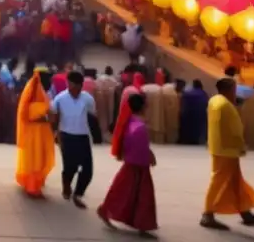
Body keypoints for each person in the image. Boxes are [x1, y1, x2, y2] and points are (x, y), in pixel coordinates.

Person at [200, 77, 254, 230]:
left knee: (235, 182)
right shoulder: (225, 105)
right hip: (227, 150)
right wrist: (240, 145)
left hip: (219, 147)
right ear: (228, 90)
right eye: (233, 89)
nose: (234, 92)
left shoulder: (214, 101)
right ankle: (207, 214)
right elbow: (234, 130)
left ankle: (245, 212)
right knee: (219, 181)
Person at [98, 93, 158, 237]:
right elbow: (141, 148)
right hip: (138, 167)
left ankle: (107, 210)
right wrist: (149, 158)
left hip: (131, 164)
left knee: (121, 192)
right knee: (142, 196)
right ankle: (142, 225)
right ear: (142, 106)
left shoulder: (130, 122)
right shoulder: (139, 127)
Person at [51, 70, 96, 208]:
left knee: (88, 170)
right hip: (66, 136)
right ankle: (66, 185)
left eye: (79, 86)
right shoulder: (60, 98)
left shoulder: (88, 98)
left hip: (82, 136)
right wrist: (55, 136)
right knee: (70, 167)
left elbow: (92, 116)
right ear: (68, 84)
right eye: (74, 86)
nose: (77, 89)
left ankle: (78, 193)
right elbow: (55, 118)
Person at [15, 70, 55, 198]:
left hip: (42, 134)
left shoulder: (44, 95)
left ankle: (37, 182)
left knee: (41, 158)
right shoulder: (30, 97)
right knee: (35, 159)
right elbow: (24, 116)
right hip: (33, 134)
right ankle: (32, 186)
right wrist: (43, 118)